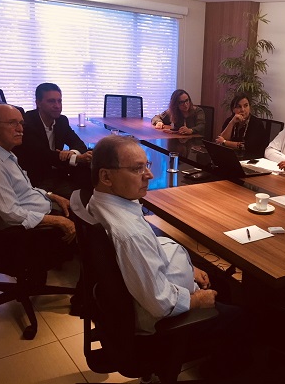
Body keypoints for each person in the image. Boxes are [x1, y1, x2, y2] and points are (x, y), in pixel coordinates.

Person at [87, 135, 250, 379]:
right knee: (240, 316)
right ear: (106, 177)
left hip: (138, 301)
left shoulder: (100, 201)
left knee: (220, 283)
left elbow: (146, 253)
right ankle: (218, 372)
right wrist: (197, 300)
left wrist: (189, 267)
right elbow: (160, 303)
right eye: (137, 169)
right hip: (162, 323)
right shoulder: (129, 235)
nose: (149, 175)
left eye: (146, 165)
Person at [0, 104, 80, 309]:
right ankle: (85, 298)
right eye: (12, 123)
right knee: (91, 227)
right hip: (21, 235)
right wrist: (59, 221)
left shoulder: (2, 152)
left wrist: (51, 196)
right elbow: (9, 214)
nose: (20, 129)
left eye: (21, 123)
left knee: (79, 206)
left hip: (34, 212)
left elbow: (24, 190)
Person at [12, 82, 92, 198]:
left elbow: (78, 143)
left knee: (90, 183)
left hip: (57, 172)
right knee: (80, 196)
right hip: (34, 178)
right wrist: (77, 158)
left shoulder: (61, 121)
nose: (57, 106)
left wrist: (72, 152)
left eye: (59, 101)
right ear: (38, 103)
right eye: (51, 101)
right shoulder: (27, 123)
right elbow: (44, 155)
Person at [215, 93, 267, 159]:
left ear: (249, 107)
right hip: (233, 156)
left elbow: (247, 146)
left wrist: (225, 142)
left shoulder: (256, 123)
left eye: (246, 106)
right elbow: (220, 141)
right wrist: (232, 123)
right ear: (233, 109)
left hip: (251, 159)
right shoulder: (230, 120)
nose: (243, 109)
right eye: (239, 106)